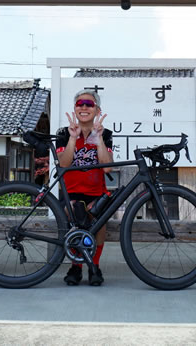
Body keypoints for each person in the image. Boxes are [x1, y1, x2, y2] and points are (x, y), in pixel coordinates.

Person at [55, 89, 113, 286]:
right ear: (74, 108)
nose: (84, 107)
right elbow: (63, 164)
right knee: (76, 213)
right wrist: (73, 138)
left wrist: (99, 139)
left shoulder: (106, 134)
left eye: (89, 104)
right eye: (80, 104)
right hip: (71, 193)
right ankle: (76, 267)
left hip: (96, 192)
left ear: (97, 109)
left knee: (100, 217)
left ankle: (94, 266)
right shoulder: (63, 133)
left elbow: (106, 168)